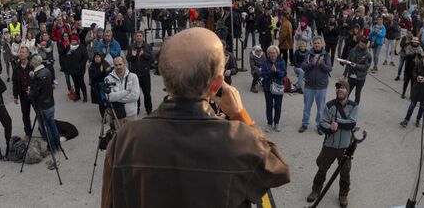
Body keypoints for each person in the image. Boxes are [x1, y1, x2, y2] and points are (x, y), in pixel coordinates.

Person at [101, 27, 290, 207]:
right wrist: (240, 114)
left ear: (165, 78)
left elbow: (109, 202)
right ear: (217, 85)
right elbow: (278, 172)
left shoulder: (125, 139)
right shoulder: (240, 139)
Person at [306, 80, 358, 208]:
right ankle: (316, 190)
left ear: (348, 91)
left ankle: (343, 195)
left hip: (345, 146)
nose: (340, 90)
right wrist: (330, 128)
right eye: (338, 88)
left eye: (343, 88)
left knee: (345, 172)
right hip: (330, 145)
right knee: (322, 168)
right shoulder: (329, 105)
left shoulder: (354, 106)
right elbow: (322, 123)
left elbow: (352, 123)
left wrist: (337, 122)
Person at [28, 54, 61, 170]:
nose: (29, 63)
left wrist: (29, 92)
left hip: (42, 106)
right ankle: (57, 145)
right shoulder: (47, 71)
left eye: (31, 61)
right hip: (50, 103)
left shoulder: (37, 75)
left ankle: (51, 147)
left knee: (46, 127)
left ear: (34, 62)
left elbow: (35, 93)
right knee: (52, 124)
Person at [300, 36, 332, 135]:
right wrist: (312, 64)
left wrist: (322, 64)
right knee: (307, 107)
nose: (317, 45)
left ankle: (319, 125)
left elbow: (329, 69)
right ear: (312, 44)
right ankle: (305, 124)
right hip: (309, 86)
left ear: (322, 44)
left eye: (318, 43)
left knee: (320, 108)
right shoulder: (309, 54)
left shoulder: (326, 55)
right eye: (315, 43)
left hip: (321, 86)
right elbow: (304, 67)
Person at [400, 50, 424, 128]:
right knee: (412, 105)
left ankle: (418, 119)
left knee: (422, 107)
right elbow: (414, 71)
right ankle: (406, 120)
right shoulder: (419, 62)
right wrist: (416, 77)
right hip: (417, 87)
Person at [105, 55, 140, 124]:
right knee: (119, 134)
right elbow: (109, 97)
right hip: (117, 115)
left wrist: (116, 98)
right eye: (116, 65)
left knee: (133, 135)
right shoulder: (108, 79)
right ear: (113, 66)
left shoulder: (133, 77)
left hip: (131, 115)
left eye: (120, 64)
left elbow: (135, 96)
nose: (118, 67)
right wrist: (125, 92)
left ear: (124, 64)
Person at [126, 31, 154, 114]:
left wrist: (144, 54)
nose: (138, 37)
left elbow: (151, 58)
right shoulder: (131, 47)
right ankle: (136, 109)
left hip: (145, 73)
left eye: (140, 36)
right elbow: (128, 58)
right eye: (137, 36)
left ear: (143, 37)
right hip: (134, 74)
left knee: (147, 93)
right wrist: (133, 56)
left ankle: (149, 109)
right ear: (135, 37)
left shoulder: (147, 47)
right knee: (135, 93)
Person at [261, 45, 287, 132]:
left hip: (278, 87)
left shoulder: (281, 62)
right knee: (269, 106)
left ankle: (276, 123)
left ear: (277, 53)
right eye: (271, 53)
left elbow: (284, 74)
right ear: (268, 54)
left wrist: (277, 71)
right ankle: (269, 123)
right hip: (268, 87)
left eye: (274, 53)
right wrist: (271, 72)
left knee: (278, 106)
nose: (272, 54)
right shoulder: (265, 62)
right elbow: (263, 74)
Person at [12, 46, 33, 140]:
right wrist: (15, 96)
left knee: (39, 113)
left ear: (28, 54)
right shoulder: (16, 67)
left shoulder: (32, 65)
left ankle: (43, 130)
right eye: (20, 52)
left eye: (23, 52)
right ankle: (28, 133)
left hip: (34, 94)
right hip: (23, 95)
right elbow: (15, 82)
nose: (21, 53)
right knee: (25, 115)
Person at [344, 36, 372, 104]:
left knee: (357, 94)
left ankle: (355, 108)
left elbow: (366, 67)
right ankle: (344, 105)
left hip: (360, 78)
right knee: (347, 92)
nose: (360, 46)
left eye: (362, 45)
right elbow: (349, 58)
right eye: (360, 44)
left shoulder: (368, 55)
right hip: (351, 76)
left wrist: (356, 66)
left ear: (366, 45)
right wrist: (346, 62)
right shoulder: (353, 50)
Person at [66, 35, 89, 102]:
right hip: (72, 69)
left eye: (74, 41)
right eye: (72, 41)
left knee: (81, 83)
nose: (73, 42)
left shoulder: (82, 47)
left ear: (77, 41)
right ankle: (78, 95)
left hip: (80, 69)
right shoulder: (69, 47)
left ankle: (85, 96)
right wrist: (69, 54)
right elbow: (66, 56)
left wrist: (80, 65)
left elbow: (85, 57)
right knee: (76, 83)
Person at [89, 52, 112, 117]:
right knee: (101, 103)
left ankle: (111, 115)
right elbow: (92, 76)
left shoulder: (105, 63)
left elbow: (110, 74)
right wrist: (100, 71)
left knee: (108, 101)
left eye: (98, 57)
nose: (97, 59)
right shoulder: (92, 66)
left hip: (105, 86)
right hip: (97, 87)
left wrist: (108, 70)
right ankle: (103, 116)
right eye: (96, 57)